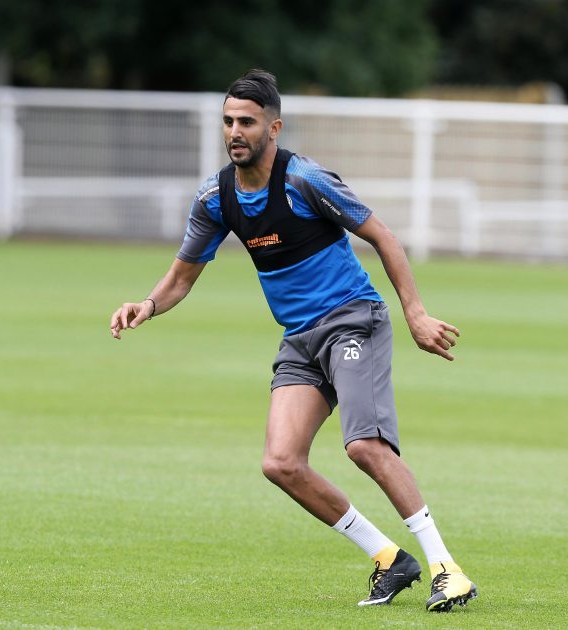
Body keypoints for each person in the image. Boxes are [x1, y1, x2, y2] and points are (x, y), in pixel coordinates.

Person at [109, 69, 478, 612]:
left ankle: (448, 568)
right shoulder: (216, 198)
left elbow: (383, 236)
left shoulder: (306, 180)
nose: (235, 131)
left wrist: (415, 314)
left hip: (353, 320)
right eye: (228, 122)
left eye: (247, 122)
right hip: (301, 339)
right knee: (280, 462)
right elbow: (182, 276)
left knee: (364, 445)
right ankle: (387, 558)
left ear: (273, 127)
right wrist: (148, 304)